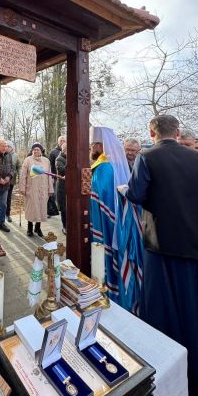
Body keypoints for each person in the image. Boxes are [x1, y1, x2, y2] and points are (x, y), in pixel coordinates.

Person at [121, 115, 198, 396]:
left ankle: (164, 377)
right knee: (194, 311)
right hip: (196, 247)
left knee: (162, 313)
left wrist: (127, 191)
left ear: (151, 132)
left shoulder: (147, 157)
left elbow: (136, 194)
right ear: (178, 132)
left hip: (161, 246)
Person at [89, 127, 130, 297]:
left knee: (101, 248)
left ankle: (104, 285)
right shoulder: (118, 163)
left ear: (100, 146)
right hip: (118, 217)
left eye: (93, 145)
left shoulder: (102, 167)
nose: (91, 148)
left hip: (104, 218)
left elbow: (97, 195)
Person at [19, 142, 53, 237]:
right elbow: (23, 175)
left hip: (43, 189)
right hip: (31, 189)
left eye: (37, 149)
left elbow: (49, 176)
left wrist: (50, 189)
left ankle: (38, 228)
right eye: (34, 149)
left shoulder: (46, 161)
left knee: (41, 209)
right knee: (31, 209)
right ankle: (29, 228)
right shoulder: (28, 160)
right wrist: (22, 188)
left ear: (41, 151)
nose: (35, 151)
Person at [0, 139, 13, 233]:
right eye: (2, 145)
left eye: (6, 146)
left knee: (3, 204)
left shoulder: (9, 156)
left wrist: (9, 176)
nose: (4, 147)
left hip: (6, 185)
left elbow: (12, 169)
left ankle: (1, 223)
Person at [5, 140, 20, 223]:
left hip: (11, 180)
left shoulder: (16, 156)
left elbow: (19, 167)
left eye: (8, 146)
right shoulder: (3, 154)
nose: (7, 147)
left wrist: (20, 176)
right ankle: (1, 214)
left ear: (11, 147)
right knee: (2, 198)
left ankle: (8, 214)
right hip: (3, 180)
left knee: (8, 197)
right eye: (6, 146)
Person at [55, 143, 67, 234]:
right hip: (62, 187)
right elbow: (62, 171)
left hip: (71, 187)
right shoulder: (59, 159)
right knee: (64, 209)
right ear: (64, 150)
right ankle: (65, 227)